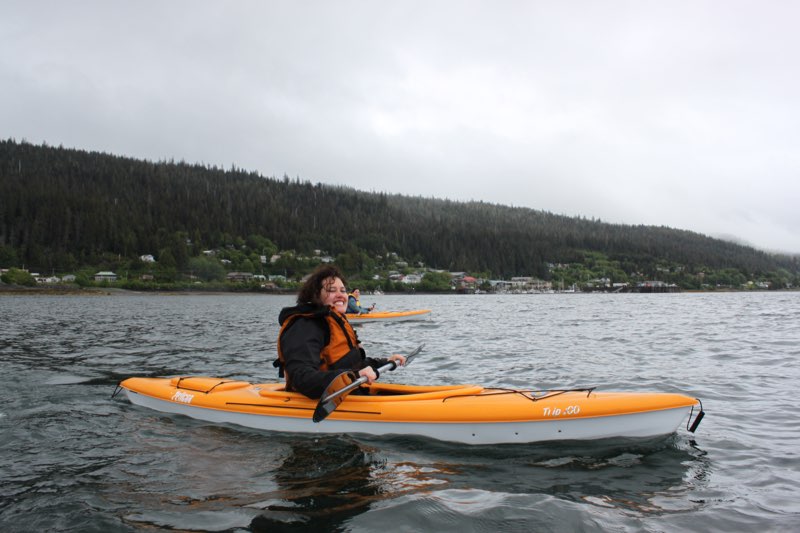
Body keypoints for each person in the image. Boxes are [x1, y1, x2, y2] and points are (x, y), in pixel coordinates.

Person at [275, 265, 405, 399]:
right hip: (316, 401)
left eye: (343, 290)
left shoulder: (336, 321)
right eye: (331, 290)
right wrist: (353, 377)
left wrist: (384, 362)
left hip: (348, 394)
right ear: (315, 295)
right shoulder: (305, 327)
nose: (340, 295)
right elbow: (303, 378)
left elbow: (354, 366)